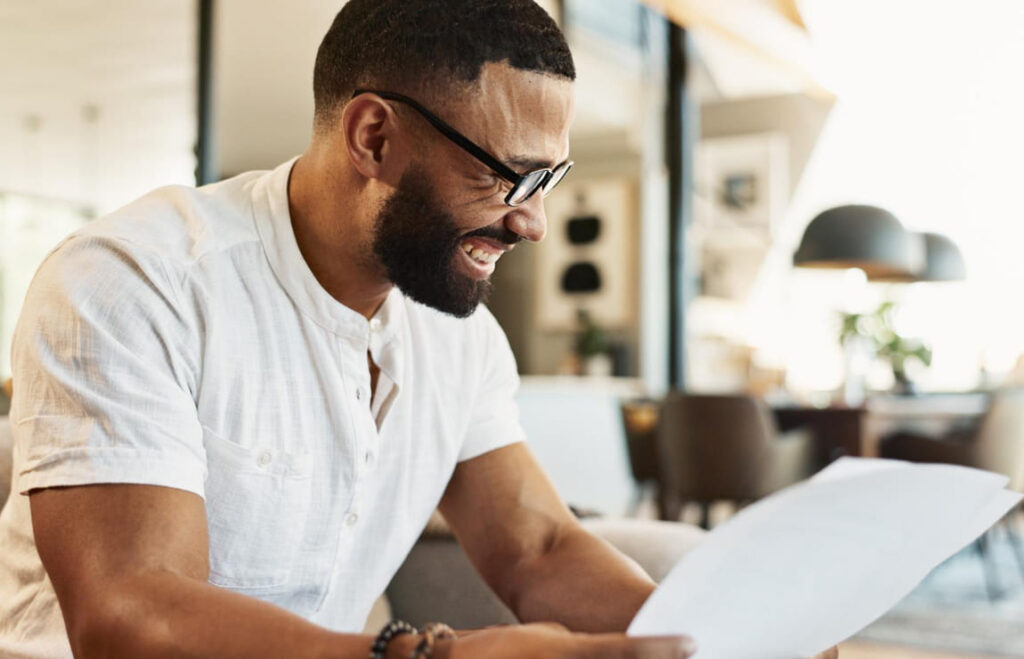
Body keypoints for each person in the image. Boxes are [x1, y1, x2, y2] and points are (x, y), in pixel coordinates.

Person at [0, 2, 838, 658]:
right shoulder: (134, 281)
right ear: (373, 136)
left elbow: (538, 546)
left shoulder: (455, 335)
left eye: (552, 177)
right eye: (512, 175)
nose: (536, 222)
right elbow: (129, 619)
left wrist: (726, 637)